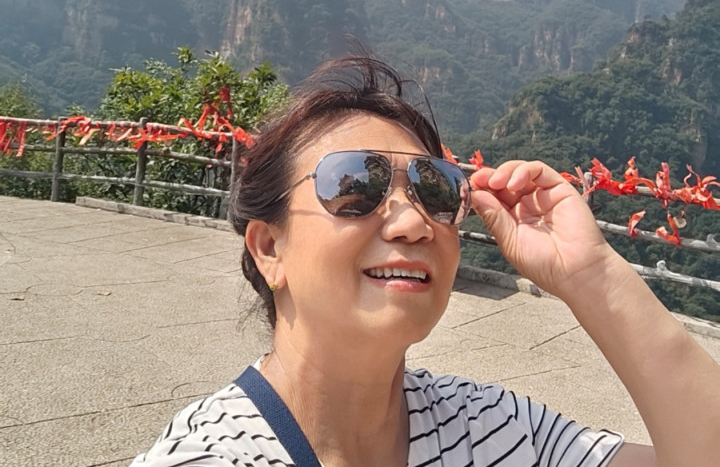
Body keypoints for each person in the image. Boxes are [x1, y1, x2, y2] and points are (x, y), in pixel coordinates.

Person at [130, 55, 720, 467]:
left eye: (434, 188)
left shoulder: (493, 428)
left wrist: (591, 274)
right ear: (269, 248)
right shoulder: (207, 457)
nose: (413, 223)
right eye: (355, 185)